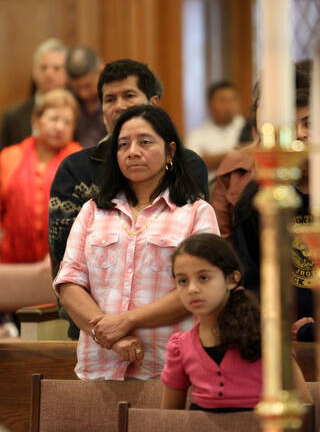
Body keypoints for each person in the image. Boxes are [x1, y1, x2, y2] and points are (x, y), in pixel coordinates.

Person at [53, 105, 219, 380]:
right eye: (123, 144)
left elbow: (202, 287)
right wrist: (110, 337)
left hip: (171, 371)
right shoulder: (93, 210)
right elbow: (70, 283)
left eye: (145, 142)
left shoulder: (196, 213)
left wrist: (127, 321)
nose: (132, 151)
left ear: (170, 151)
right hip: (99, 370)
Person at [49, 59, 209, 340]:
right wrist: (105, 327)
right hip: (92, 326)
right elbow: (66, 262)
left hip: (171, 329)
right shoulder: (75, 170)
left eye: (129, 95)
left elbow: (197, 265)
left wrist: (127, 321)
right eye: (109, 99)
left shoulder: (188, 165)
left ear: (154, 103)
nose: (119, 106)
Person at [211, 82, 315, 341]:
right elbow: (250, 279)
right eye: (290, 127)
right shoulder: (256, 199)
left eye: (310, 123)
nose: (300, 134)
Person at [161, 233, 312, 411]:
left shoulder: (267, 338)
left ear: (232, 279)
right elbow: (169, 419)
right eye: (183, 281)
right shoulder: (180, 346)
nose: (192, 289)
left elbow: (305, 406)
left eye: (203, 278)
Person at [0, 88, 81, 264]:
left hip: (64, 262)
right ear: (36, 121)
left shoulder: (79, 160)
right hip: (11, 262)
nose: (60, 127)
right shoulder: (9, 157)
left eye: (68, 122)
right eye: (54, 119)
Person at [0, 38, 68, 150]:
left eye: (56, 68)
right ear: (34, 71)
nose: (49, 73)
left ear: (67, 73)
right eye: (43, 67)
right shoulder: (12, 117)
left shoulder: (78, 111)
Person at [185, 81, 246, 181]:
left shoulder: (248, 129)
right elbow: (194, 165)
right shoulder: (196, 135)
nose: (228, 106)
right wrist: (238, 154)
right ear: (210, 104)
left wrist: (211, 159)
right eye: (223, 100)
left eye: (233, 100)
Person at [66, 46, 106, 147]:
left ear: (101, 70)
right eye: (77, 88)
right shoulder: (67, 101)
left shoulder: (118, 100)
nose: (83, 93)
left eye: (87, 86)